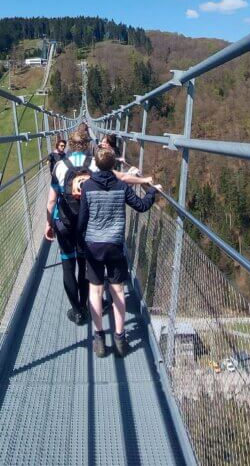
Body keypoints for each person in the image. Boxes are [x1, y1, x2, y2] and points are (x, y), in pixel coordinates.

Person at [77, 147, 162, 358]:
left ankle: (98, 339)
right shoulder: (121, 185)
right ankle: (120, 338)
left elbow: (83, 219)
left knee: (95, 292)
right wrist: (152, 191)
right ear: (114, 164)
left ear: (95, 164)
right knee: (117, 291)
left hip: (94, 246)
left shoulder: (87, 186)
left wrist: (81, 241)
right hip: (114, 245)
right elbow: (141, 206)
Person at [45, 131, 93, 323]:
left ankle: (77, 312)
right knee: (84, 266)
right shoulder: (95, 164)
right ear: (88, 144)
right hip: (87, 223)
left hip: (64, 222)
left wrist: (49, 224)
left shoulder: (60, 165)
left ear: (70, 145)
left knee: (68, 266)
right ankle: (85, 305)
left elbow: (51, 200)